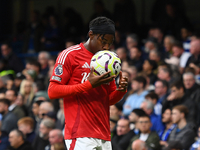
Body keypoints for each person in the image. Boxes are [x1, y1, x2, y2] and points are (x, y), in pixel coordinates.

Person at [48, 16, 128, 150]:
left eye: (110, 42)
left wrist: (121, 90)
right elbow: (52, 91)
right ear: (91, 34)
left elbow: (107, 100)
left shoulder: (108, 59)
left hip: (103, 134)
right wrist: (88, 85)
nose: (106, 46)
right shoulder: (70, 55)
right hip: (80, 133)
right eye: (103, 41)